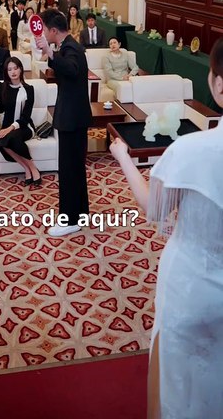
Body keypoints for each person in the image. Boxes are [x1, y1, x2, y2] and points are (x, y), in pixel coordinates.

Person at [109, 37, 223, 419]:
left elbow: (154, 208)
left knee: (176, 383)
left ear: (218, 84)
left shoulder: (190, 151)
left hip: (191, 287)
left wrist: (123, 157)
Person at [36, 9, 92, 237]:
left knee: (69, 170)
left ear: (53, 30)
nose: (42, 33)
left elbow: (71, 68)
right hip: (74, 117)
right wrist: (50, 52)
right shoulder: (69, 46)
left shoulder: (71, 49)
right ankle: (80, 212)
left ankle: (70, 219)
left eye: (44, 29)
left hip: (72, 119)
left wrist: (50, 52)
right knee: (75, 168)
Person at [0, 57, 41, 186]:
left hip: (24, 126)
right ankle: (27, 168)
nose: (13, 72)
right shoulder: (1, 87)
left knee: (12, 138)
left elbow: (26, 116)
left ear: (21, 69)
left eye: (15, 68)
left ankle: (33, 169)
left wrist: (10, 128)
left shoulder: (29, 89)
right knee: (1, 140)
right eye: (9, 69)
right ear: (6, 72)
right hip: (8, 126)